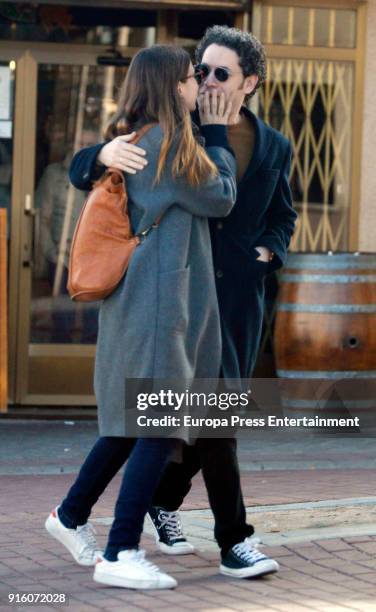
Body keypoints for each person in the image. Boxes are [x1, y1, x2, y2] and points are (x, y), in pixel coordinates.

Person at [66, 26, 297, 579]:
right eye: (202, 69)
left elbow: (282, 214)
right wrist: (100, 151)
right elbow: (87, 169)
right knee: (181, 420)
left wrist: (269, 251)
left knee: (211, 420)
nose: (208, 80)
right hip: (176, 296)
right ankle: (229, 540)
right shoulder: (180, 122)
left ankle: (162, 506)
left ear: (250, 83)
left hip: (234, 300)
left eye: (222, 73)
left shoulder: (273, 144)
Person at [45, 44, 237, 590]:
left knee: (132, 424)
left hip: (144, 302)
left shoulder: (138, 141)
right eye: (192, 76)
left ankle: (69, 515)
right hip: (157, 308)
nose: (199, 84)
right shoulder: (173, 146)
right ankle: (120, 550)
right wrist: (218, 136)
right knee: (158, 424)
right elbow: (221, 196)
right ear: (172, 86)